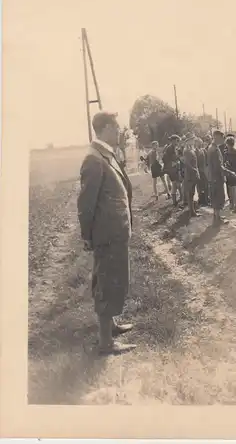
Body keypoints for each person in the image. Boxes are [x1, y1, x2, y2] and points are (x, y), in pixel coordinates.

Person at [77, 111, 136, 355]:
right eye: (117, 127)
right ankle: (106, 343)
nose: (120, 131)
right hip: (107, 234)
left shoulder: (104, 154)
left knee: (112, 280)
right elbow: (86, 203)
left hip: (114, 232)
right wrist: (87, 235)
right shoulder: (94, 159)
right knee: (107, 283)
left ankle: (110, 327)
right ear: (106, 128)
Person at [207, 130, 230, 226]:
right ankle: (218, 218)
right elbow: (217, 166)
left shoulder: (212, 147)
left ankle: (217, 216)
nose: (222, 139)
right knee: (218, 197)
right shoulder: (214, 149)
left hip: (214, 176)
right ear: (216, 137)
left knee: (216, 196)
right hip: (216, 176)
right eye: (221, 137)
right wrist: (227, 172)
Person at [183, 133, 200, 217]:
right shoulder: (186, 151)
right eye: (192, 139)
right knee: (190, 193)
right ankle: (192, 211)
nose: (193, 141)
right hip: (190, 174)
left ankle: (192, 210)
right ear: (188, 141)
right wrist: (195, 171)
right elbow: (187, 163)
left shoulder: (191, 150)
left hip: (192, 173)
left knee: (192, 192)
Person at [162, 134, 182, 206]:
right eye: (177, 141)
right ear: (173, 141)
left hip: (172, 168)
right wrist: (179, 157)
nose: (178, 142)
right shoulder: (171, 148)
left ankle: (179, 198)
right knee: (175, 184)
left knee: (177, 184)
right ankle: (175, 201)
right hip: (172, 169)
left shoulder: (172, 147)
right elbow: (174, 158)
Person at [195, 137, 209, 206]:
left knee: (206, 185)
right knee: (200, 186)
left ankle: (206, 199)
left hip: (204, 170)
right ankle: (201, 199)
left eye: (200, 142)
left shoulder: (203, 150)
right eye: (198, 142)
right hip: (199, 171)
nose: (200, 144)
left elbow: (207, 159)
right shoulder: (195, 151)